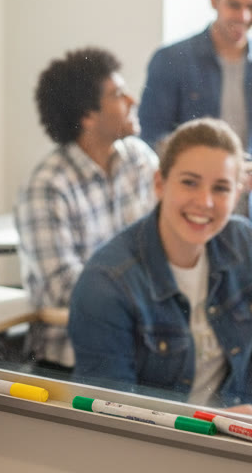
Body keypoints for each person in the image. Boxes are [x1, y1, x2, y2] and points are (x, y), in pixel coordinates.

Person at [68, 119, 252, 409]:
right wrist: (211, 425)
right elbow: (112, 417)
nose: (205, 201)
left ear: (237, 195)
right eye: (189, 182)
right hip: (160, 446)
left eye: (221, 188)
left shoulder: (241, 241)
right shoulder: (106, 282)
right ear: (160, 183)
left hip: (238, 430)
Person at [15, 47, 159, 369]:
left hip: (142, 340)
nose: (133, 101)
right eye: (119, 95)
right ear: (87, 115)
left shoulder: (139, 159)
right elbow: (65, 288)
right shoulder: (48, 186)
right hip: (72, 358)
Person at [138, 0, 252, 231]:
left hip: (251, 216)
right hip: (190, 211)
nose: (244, 16)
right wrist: (211, 170)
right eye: (234, 5)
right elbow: (151, 135)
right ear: (214, 1)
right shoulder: (171, 59)